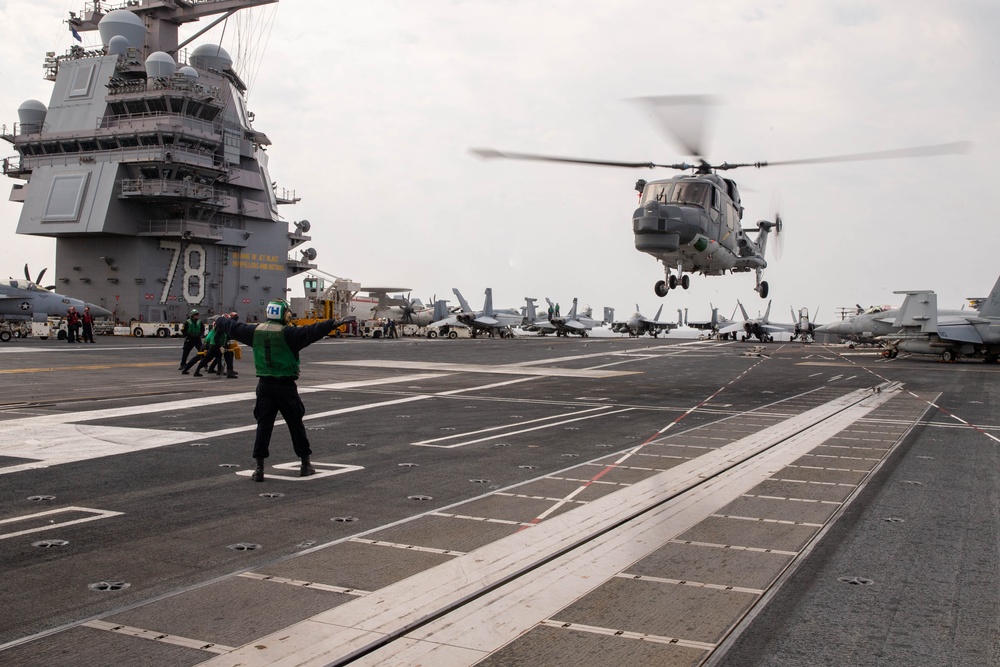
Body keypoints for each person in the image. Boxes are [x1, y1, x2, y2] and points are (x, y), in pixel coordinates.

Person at [214, 300, 354, 481]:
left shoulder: (254, 331)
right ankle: (305, 464)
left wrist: (220, 319)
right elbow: (312, 331)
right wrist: (334, 323)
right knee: (295, 424)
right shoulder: (288, 333)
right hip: (285, 386)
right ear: (284, 314)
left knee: (263, 426)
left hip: (264, 385)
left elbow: (234, 327)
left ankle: (259, 468)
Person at [183, 313, 230, 377]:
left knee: (215, 358)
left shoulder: (219, 324)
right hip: (210, 343)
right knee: (202, 357)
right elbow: (217, 337)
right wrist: (221, 345)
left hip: (211, 343)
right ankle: (188, 369)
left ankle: (216, 370)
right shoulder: (220, 325)